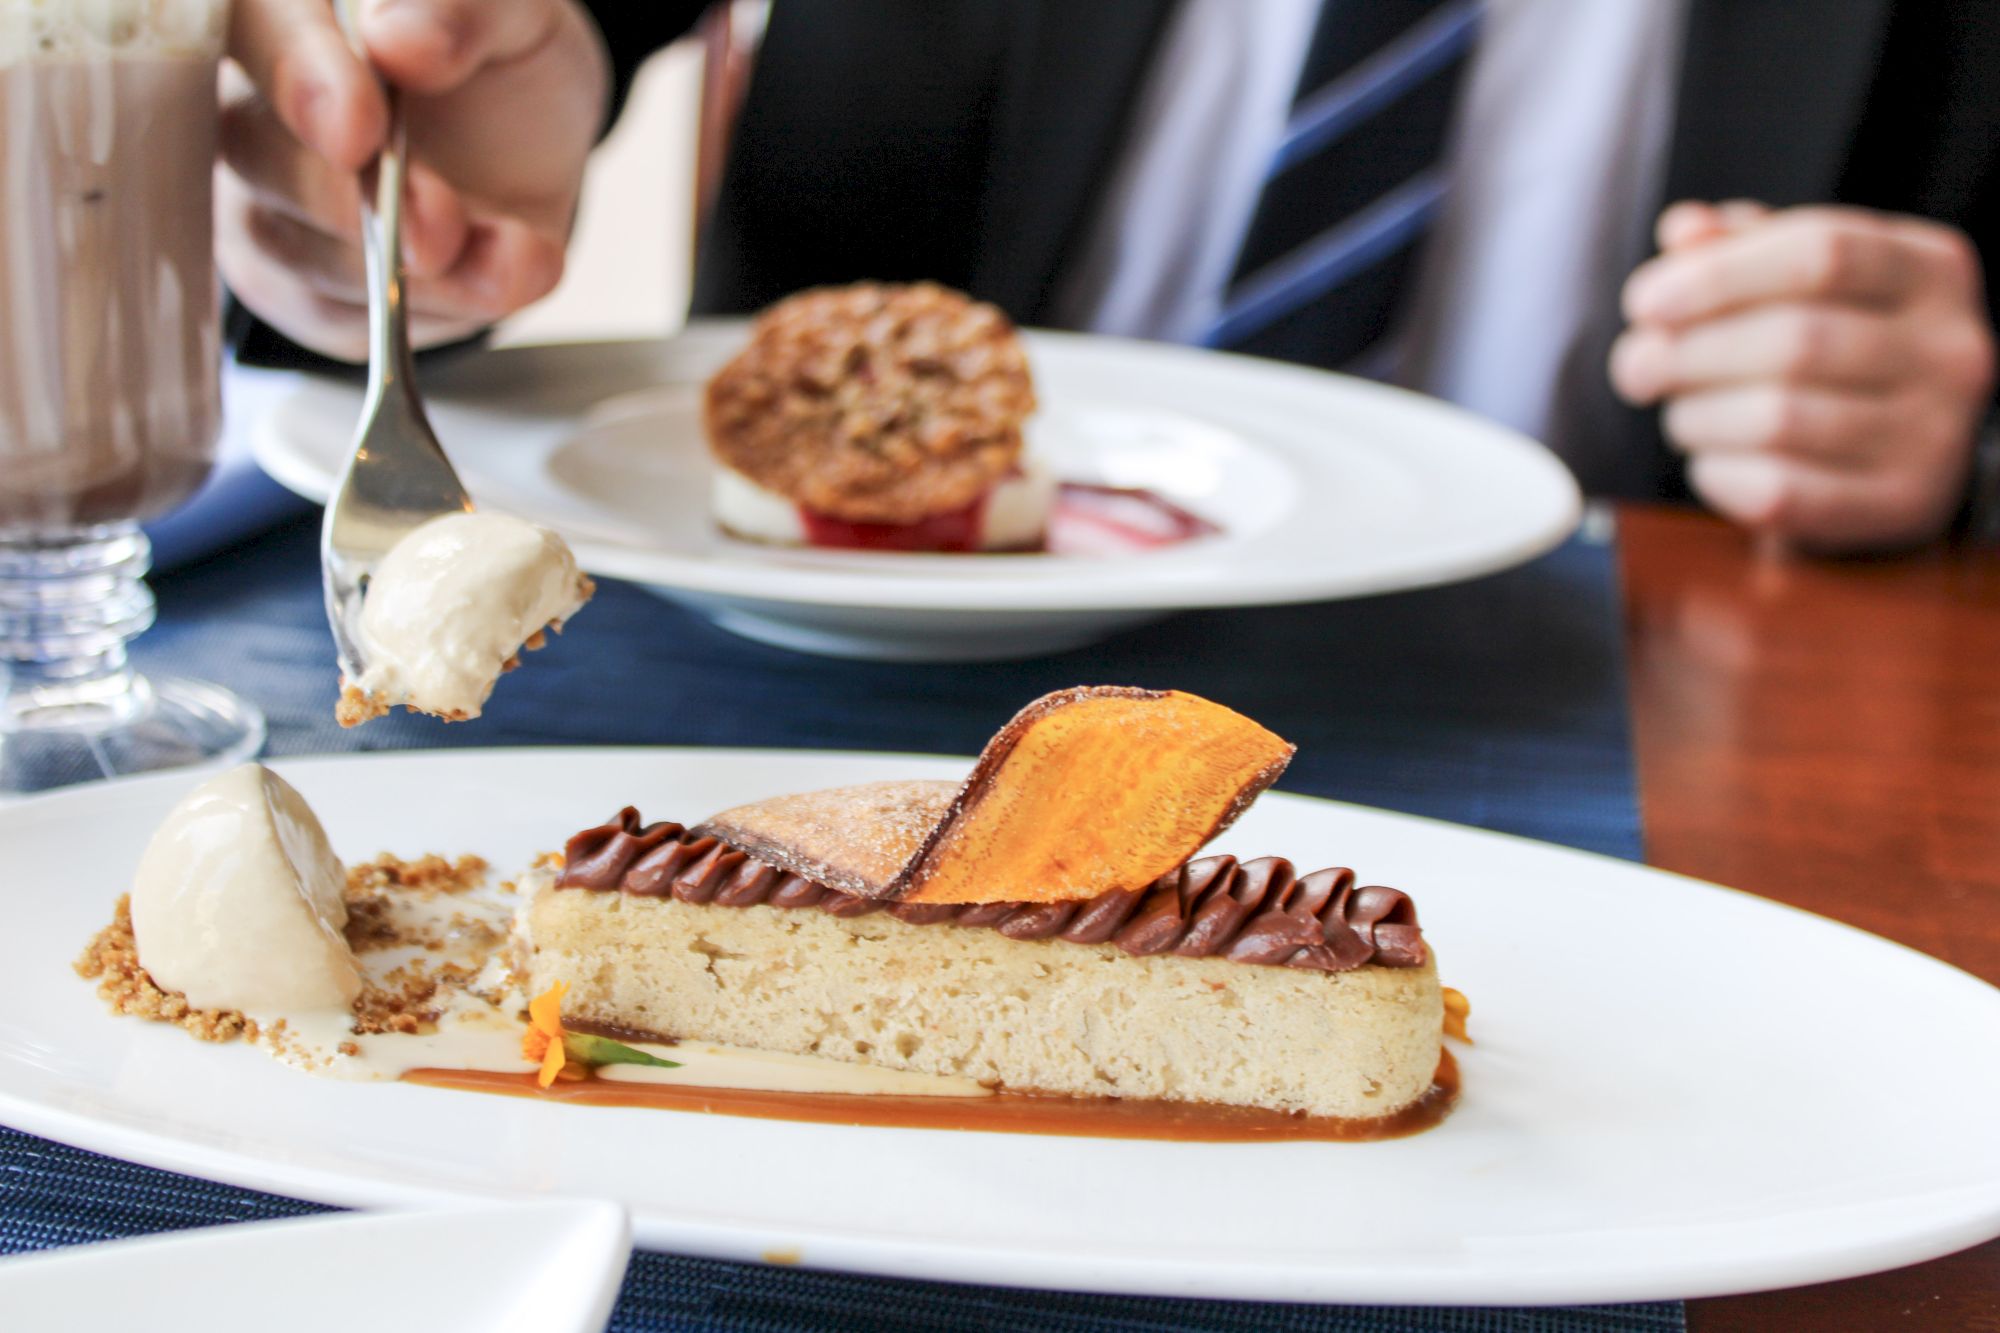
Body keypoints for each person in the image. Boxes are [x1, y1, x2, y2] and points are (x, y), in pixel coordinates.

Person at [220, 0, 2000, 553]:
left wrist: (1965, 446)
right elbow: (468, 39)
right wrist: (408, 143)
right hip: (824, 652)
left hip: (1588, 714)